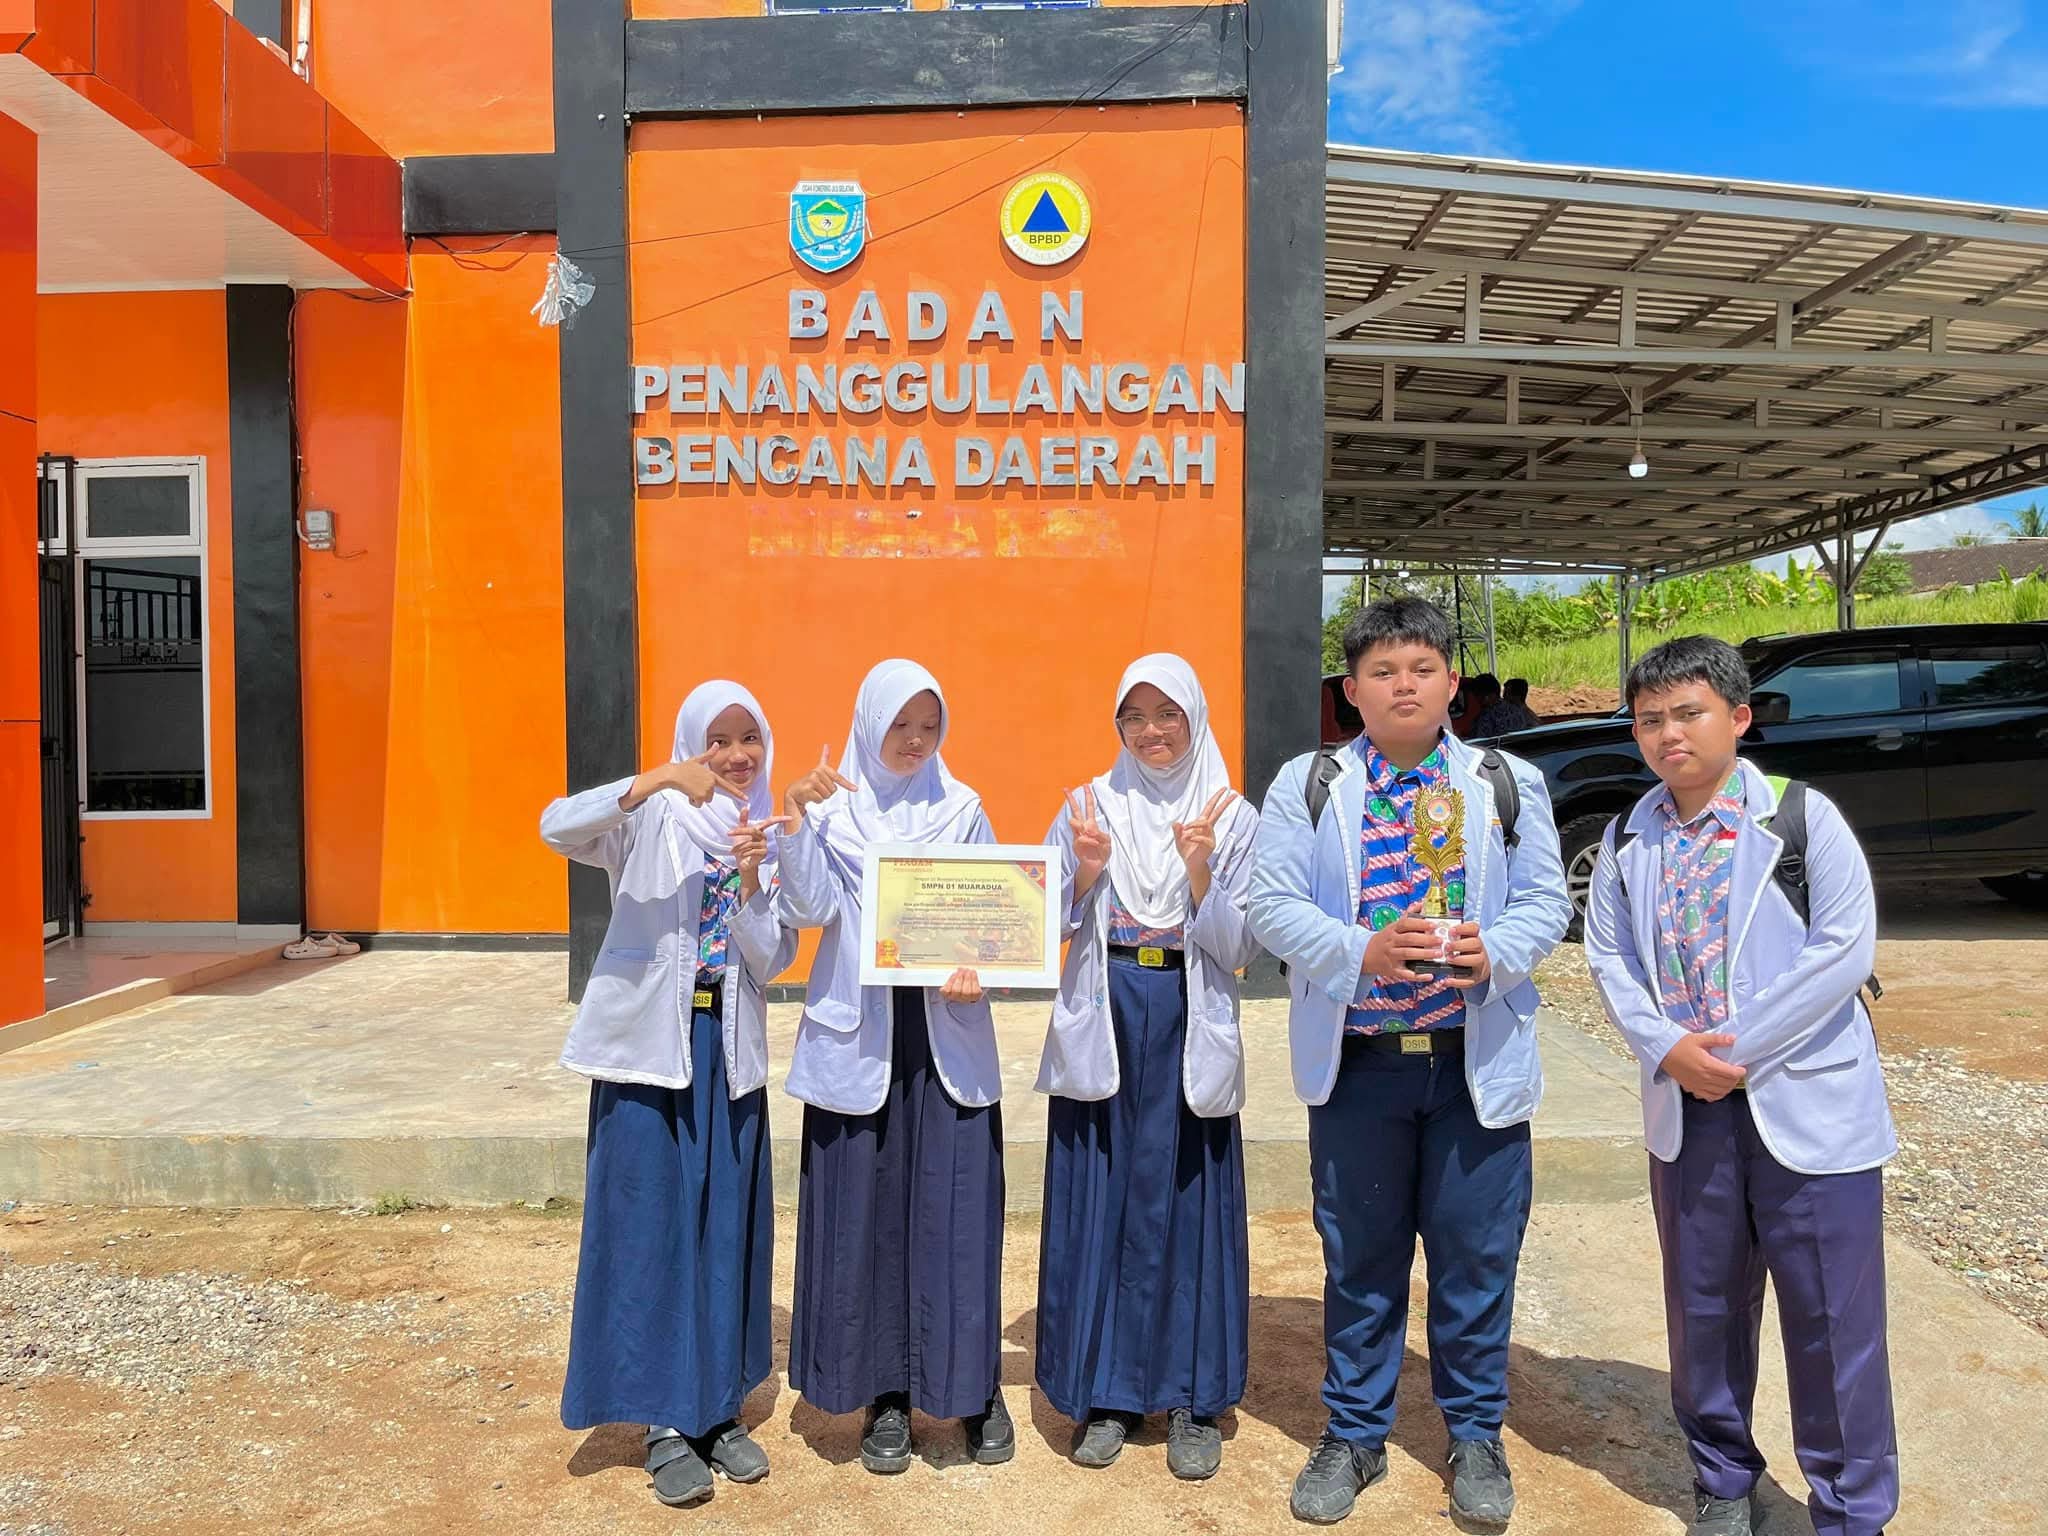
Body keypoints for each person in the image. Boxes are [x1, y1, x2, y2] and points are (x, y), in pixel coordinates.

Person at [1249, 597, 1571, 1528]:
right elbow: (1270, 902)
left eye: (1421, 669)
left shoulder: (1505, 782)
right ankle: (1355, 1434)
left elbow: (1547, 901)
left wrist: (1495, 951)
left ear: (1451, 683)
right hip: (1362, 1066)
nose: (1403, 686)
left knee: (1476, 1258)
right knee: (1360, 1258)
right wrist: (1361, 951)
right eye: (1382, 671)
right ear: (1350, 691)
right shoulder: (1309, 783)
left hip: (1472, 1065)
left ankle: (1475, 1434)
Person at [1581, 636, 1896, 1536]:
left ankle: (1851, 1509)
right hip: (1689, 1111)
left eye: (1690, 713)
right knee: (1705, 1307)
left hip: (1806, 1104)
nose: (1669, 735)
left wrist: (1735, 1053)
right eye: (1650, 719)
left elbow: (1845, 951)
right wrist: (1669, 1050)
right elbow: (1609, 958)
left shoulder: (1802, 819)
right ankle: (1721, 1479)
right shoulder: (1626, 837)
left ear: (1739, 717)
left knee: (1834, 1319)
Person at [542, 681, 796, 1509]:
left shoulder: (764, 832)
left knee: (724, 1228)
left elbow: (772, 959)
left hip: (729, 1051)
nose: (736, 755)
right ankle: (661, 1420)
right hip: (649, 1052)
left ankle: (715, 1409)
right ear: (692, 743)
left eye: (749, 738)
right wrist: (652, 780)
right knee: (652, 1228)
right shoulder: (649, 817)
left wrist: (754, 880)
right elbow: (556, 827)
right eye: (718, 739)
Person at [776, 659, 1014, 1473]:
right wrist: (796, 819)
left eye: (929, 726)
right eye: (900, 725)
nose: (915, 741)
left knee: (958, 1216)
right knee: (867, 1215)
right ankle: (883, 1394)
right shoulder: (830, 810)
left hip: (946, 1033)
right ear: (868, 723)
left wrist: (984, 967)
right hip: (861, 1037)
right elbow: (808, 908)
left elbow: (998, 917)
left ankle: (973, 1390)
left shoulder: (963, 807)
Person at [1034, 654, 1260, 1480]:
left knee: (1187, 1200)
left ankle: (1194, 1397)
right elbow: (1040, 925)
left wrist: (1200, 870)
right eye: (1135, 716)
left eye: (1168, 714)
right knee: (1106, 1195)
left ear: (1194, 718)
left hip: (1186, 1011)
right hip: (1108, 1011)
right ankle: (1107, 1393)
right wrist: (1086, 872)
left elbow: (1241, 947)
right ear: (1117, 725)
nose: (1152, 731)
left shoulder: (1232, 814)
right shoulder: (1088, 805)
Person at [1472, 678, 1539, 738]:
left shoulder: (1487, 716)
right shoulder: (1521, 713)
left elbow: (1478, 741)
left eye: (1507, 693)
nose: (1504, 696)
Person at [1450, 672, 1501, 739]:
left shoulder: (1485, 717)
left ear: (1486, 697)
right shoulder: (1514, 709)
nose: (1477, 700)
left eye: (1477, 695)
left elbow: (1478, 741)